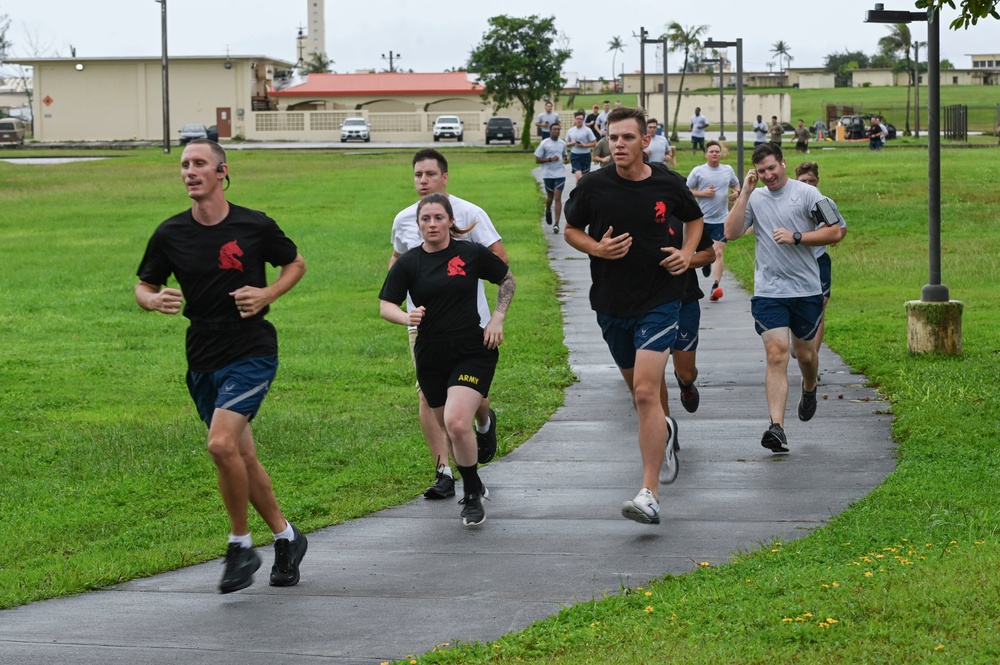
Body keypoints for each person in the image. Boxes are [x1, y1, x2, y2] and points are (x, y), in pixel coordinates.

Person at [135, 139, 308, 594]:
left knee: (219, 445)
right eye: (184, 165)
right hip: (202, 354)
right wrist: (153, 300)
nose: (189, 171)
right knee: (239, 455)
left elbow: (295, 263)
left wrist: (268, 293)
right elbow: (144, 283)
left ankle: (239, 545)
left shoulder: (254, 225)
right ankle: (288, 538)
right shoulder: (170, 233)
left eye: (199, 164)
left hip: (251, 349)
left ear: (221, 172)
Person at [564, 106, 705, 526]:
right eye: (613, 137)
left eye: (628, 137)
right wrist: (596, 248)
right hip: (611, 303)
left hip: (661, 297)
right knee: (641, 393)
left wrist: (685, 253)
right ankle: (666, 427)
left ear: (646, 141)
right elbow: (570, 229)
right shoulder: (592, 186)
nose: (619, 144)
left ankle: (649, 493)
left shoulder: (667, 182)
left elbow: (695, 220)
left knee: (646, 392)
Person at [380, 193, 516, 527]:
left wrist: (497, 318)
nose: (432, 225)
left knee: (456, 422)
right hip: (431, 353)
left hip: (472, 348)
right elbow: (385, 305)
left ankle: (470, 493)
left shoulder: (470, 253)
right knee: (450, 427)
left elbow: (507, 279)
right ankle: (474, 480)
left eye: (439, 218)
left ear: (450, 221)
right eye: (425, 219)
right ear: (418, 224)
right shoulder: (410, 263)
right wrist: (406, 317)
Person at [724, 143, 844, 454]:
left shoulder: (808, 195)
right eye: (761, 171)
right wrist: (746, 194)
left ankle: (810, 386)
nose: (767, 175)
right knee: (777, 353)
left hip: (805, 289)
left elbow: (836, 232)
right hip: (769, 291)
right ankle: (777, 427)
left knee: (803, 355)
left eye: (771, 168)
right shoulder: (756, 197)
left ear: (783, 164)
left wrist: (798, 237)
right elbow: (732, 232)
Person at [794, 162, 848, 357]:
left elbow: (841, 227)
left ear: (818, 181)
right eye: (803, 181)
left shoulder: (824, 202)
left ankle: (811, 358)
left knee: (819, 307)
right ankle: (798, 342)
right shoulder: (789, 202)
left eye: (812, 181)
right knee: (796, 308)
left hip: (818, 260)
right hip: (794, 263)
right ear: (795, 181)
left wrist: (834, 238)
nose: (808, 184)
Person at [686, 140, 740, 302]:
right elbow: (686, 191)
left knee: (718, 252)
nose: (715, 154)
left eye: (717, 151)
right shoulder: (698, 171)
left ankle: (715, 286)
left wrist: (736, 193)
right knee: (704, 253)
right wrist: (702, 193)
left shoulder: (727, 170)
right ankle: (706, 263)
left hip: (722, 220)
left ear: (720, 153)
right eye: (712, 151)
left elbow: (736, 185)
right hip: (701, 220)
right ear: (706, 154)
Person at [534, 122, 569, 233]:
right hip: (548, 174)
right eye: (554, 129)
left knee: (557, 197)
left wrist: (566, 159)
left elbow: (564, 155)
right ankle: (548, 209)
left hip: (560, 173)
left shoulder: (562, 143)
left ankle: (557, 224)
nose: (556, 131)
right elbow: (537, 159)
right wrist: (549, 159)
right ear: (550, 131)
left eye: (558, 129)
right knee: (550, 197)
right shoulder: (544, 143)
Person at [565, 110, 598, 184]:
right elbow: (566, 144)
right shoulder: (571, 131)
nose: (579, 120)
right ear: (575, 119)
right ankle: (578, 193)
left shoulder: (587, 130)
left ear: (583, 120)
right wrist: (572, 143)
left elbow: (594, 143)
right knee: (578, 176)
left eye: (581, 119)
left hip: (586, 155)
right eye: (577, 119)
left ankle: (583, 193)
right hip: (575, 155)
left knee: (584, 178)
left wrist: (584, 145)